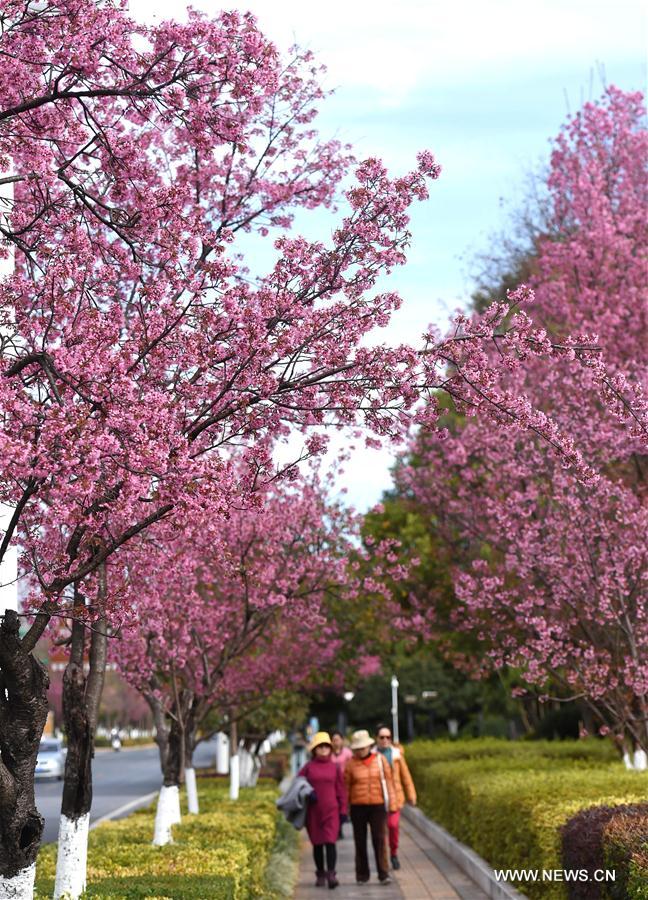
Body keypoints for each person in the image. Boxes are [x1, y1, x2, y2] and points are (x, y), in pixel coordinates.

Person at [344, 729, 396, 885]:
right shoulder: (351, 764)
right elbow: (346, 787)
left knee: (379, 840)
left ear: (369, 746)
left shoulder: (380, 760)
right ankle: (362, 875)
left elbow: (389, 782)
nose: (361, 750)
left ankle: (383, 873)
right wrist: (345, 808)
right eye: (358, 748)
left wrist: (392, 803)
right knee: (360, 841)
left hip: (377, 806)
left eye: (363, 747)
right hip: (358, 807)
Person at [299, 731, 347, 889]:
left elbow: (341, 790)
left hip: (331, 811)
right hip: (313, 812)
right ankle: (320, 874)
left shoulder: (335, 767)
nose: (324, 749)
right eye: (320, 746)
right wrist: (308, 792)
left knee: (330, 842)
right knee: (318, 844)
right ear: (314, 749)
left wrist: (343, 811)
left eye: (326, 746)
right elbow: (297, 786)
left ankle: (331, 874)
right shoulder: (308, 767)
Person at [375, 723, 417, 870]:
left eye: (388, 737)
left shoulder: (397, 755)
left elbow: (406, 776)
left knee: (393, 826)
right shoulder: (373, 756)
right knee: (380, 831)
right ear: (377, 739)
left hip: (395, 797)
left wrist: (411, 794)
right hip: (378, 798)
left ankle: (393, 853)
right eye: (382, 737)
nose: (385, 740)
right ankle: (383, 858)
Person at [330, 730, 353, 838]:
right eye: (334, 740)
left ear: (342, 741)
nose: (336, 742)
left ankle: (342, 823)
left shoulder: (348, 753)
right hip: (333, 785)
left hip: (345, 783)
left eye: (337, 740)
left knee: (344, 806)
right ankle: (338, 829)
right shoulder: (329, 754)